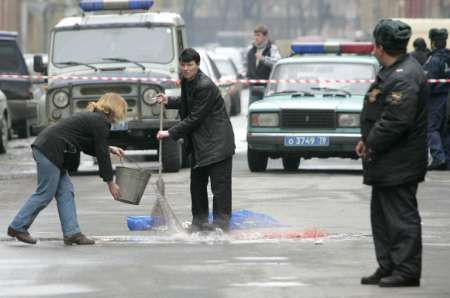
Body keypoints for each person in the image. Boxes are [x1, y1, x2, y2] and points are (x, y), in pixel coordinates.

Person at [356, 19, 428, 287]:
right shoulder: (392, 71)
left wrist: (371, 141)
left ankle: (407, 270)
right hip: (387, 161)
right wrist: (368, 142)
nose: (373, 47)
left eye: (375, 42)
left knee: (401, 218)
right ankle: (388, 266)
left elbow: (396, 121)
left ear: (381, 46)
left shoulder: (404, 76)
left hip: (400, 162)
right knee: (383, 218)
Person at [7, 93, 128, 245]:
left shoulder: (94, 118)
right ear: (115, 109)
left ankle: (72, 233)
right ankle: (17, 226)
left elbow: (92, 146)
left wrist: (109, 148)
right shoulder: (100, 121)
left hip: (51, 149)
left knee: (66, 192)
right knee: (45, 192)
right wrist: (111, 183)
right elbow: (101, 155)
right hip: (50, 150)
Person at [156, 48, 235, 232]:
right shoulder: (187, 81)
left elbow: (195, 117)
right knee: (197, 185)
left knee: (220, 187)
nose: (186, 68)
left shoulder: (205, 85)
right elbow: (188, 102)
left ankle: (221, 225)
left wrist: (170, 133)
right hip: (201, 143)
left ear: (197, 65)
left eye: (190, 65)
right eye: (183, 65)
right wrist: (168, 100)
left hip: (217, 142)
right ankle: (199, 222)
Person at [424, 28, 450, 170]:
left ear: (433, 42)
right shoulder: (448, 57)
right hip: (448, 97)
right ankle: (446, 159)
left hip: (437, 99)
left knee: (431, 128)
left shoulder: (434, 59)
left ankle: (439, 158)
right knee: (445, 129)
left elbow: (428, 82)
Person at [246, 24, 281, 105]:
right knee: (252, 112)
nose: (256, 38)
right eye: (255, 35)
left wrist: (264, 59)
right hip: (253, 88)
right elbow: (247, 68)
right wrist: (247, 78)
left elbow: (277, 64)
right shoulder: (251, 51)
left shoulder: (272, 49)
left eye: (258, 35)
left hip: (268, 88)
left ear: (265, 36)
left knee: (267, 111)